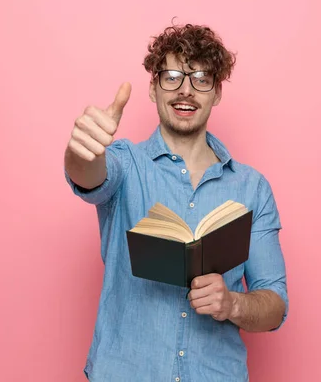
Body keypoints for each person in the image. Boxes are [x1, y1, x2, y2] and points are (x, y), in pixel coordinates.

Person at [64, 23, 288, 382]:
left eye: (201, 78)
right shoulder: (125, 164)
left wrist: (233, 303)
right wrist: (82, 150)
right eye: (172, 76)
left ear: (216, 93)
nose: (186, 90)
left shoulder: (252, 188)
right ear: (153, 88)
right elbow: (87, 174)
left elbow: (275, 305)